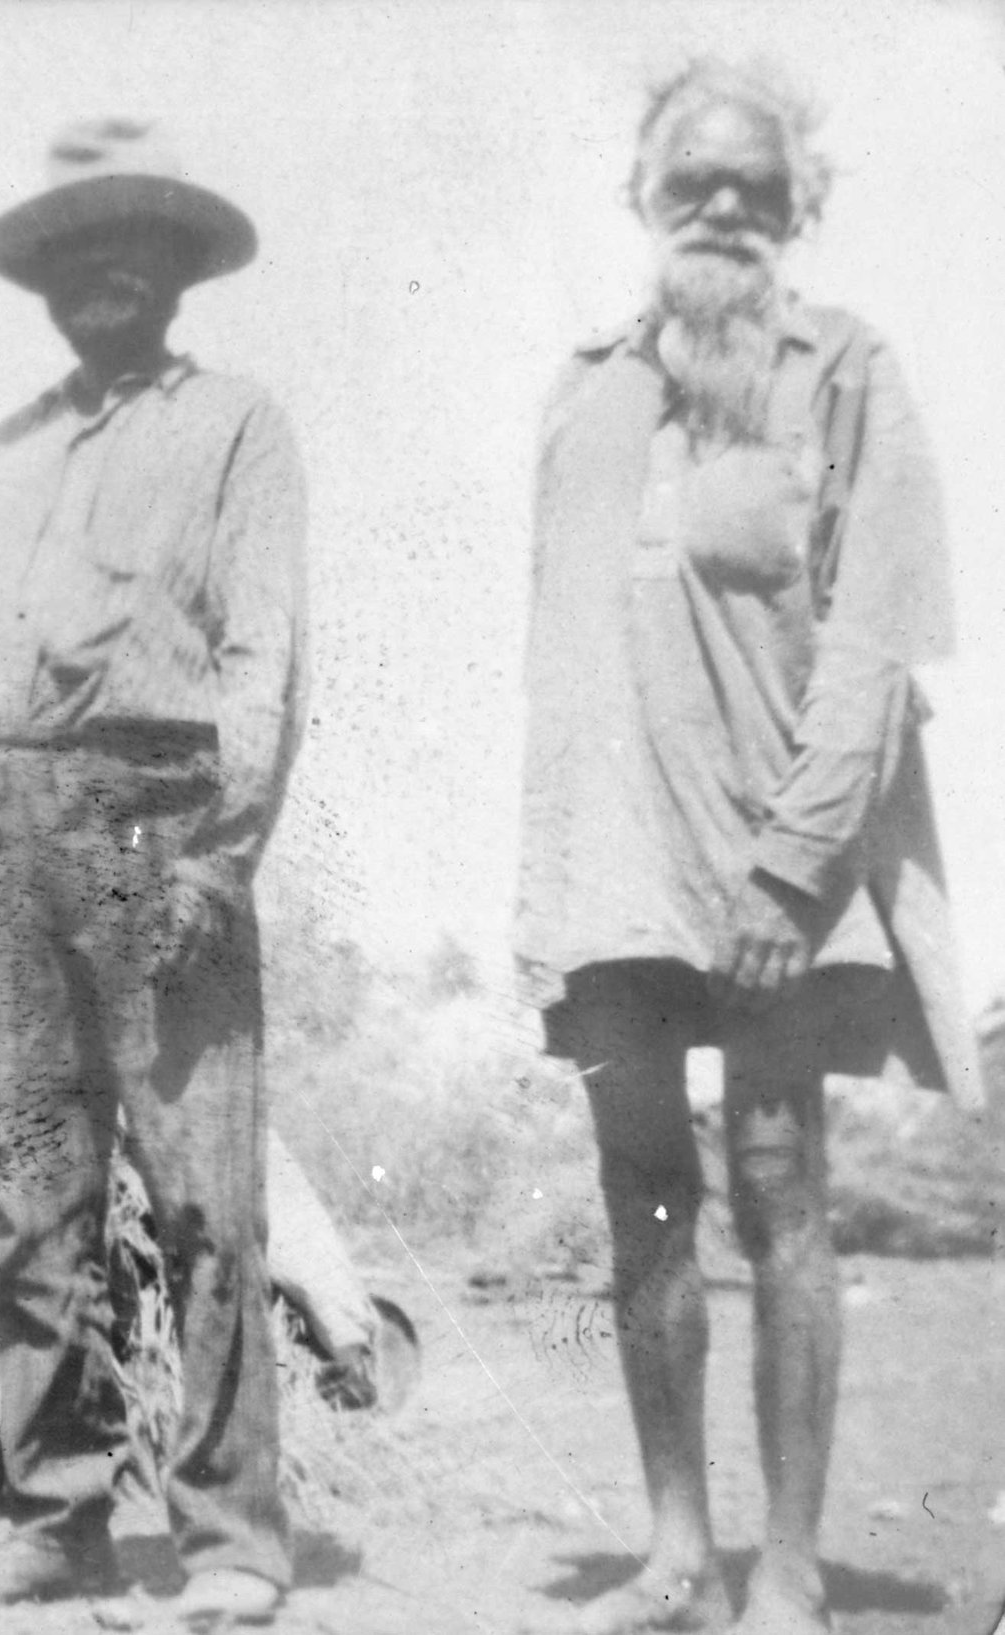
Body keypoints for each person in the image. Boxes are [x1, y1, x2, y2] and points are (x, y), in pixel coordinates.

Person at [515, 60, 977, 1635]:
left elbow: (876, 639)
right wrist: (544, 896)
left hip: (780, 855)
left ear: (800, 211)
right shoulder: (588, 393)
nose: (723, 207)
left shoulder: (849, 369)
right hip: (619, 867)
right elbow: (558, 662)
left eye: (755, 188)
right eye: (693, 181)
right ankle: (673, 1555)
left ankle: (786, 1565)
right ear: (644, 195)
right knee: (641, 1191)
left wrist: (793, 866)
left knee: (779, 1176)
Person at [0, 119, 306, 1629]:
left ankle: (229, 1536)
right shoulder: (10, 452)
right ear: (45, 279)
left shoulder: (237, 425)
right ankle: (55, 1516)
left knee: (204, 1193)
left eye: (132, 243)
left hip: (161, 814)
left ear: (183, 268)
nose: (102, 273)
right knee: (33, 1194)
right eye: (73, 249)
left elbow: (266, 649)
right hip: (22, 824)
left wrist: (222, 848)